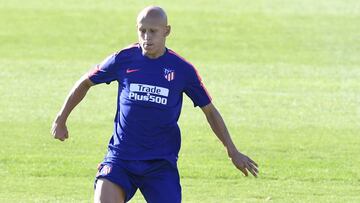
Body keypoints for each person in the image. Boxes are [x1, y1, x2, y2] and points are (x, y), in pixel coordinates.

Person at [51, 6, 258, 203]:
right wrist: (62, 118)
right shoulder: (123, 59)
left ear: (166, 31)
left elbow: (210, 111)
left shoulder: (182, 70)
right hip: (120, 159)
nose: (147, 37)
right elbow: (86, 82)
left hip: (160, 164)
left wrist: (232, 150)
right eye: (142, 31)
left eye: (153, 31)